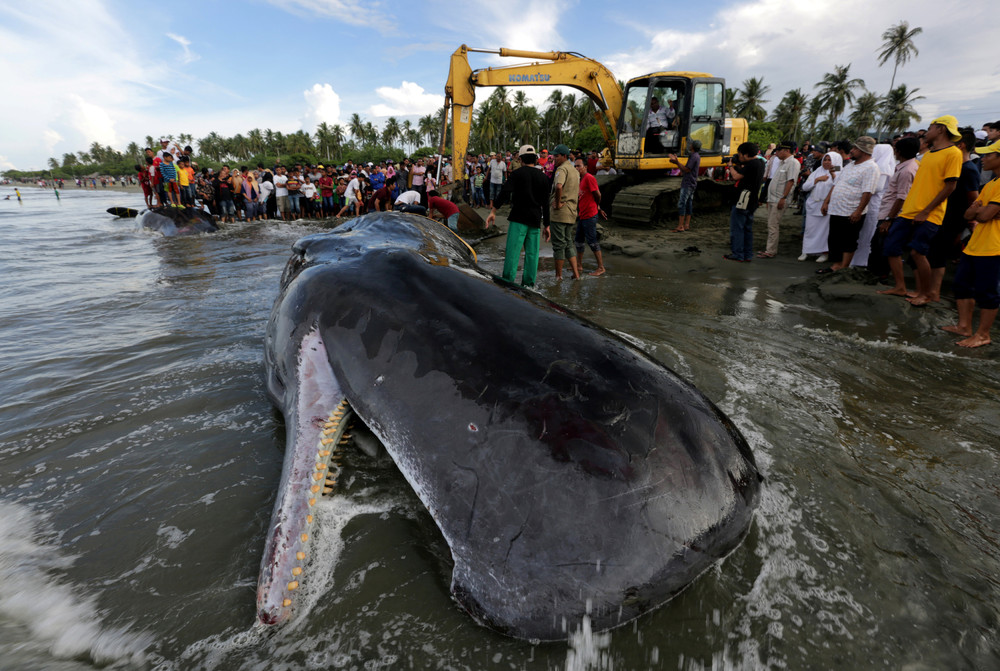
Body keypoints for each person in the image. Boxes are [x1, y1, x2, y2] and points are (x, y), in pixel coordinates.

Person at [879, 115, 963, 304]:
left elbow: (950, 186)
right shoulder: (928, 154)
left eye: (931, 127)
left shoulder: (953, 153)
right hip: (909, 210)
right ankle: (901, 287)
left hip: (930, 213)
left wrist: (926, 210)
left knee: (918, 252)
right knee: (891, 247)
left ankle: (926, 294)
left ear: (941, 129)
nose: (928, 131)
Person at [941, 140, 1000, 347]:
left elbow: (984, 215)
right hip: (976, 244)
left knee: (987, 291)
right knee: (961, 285)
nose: (983, 159)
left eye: (989, 155)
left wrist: (982, 210)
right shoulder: (991, 184)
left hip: (994, 247)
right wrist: (982, 210)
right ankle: (964, 326)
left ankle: (983, 334)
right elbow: (970, 213)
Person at [925, 129, 981, 302]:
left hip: (953, 219)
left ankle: (934, 292)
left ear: (961, 145)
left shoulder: (969, 169)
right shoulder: (957, 166)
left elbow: (974, 199)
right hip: (942, 216)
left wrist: (969, 221)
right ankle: (929, 291)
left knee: (938, 255)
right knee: (932, 253)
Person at [485, 144, 551, 287]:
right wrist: (547, 225)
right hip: (535, 220)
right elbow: (546, 204)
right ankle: (529, 287)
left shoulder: (517, 174)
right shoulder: (544, 178)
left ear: (520, 159)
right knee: (532, 256)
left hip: (518, 219)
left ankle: (507, 284)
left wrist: (493, 211)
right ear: (535, 159)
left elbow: (504, 192)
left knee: (513, 253)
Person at [818, 136, 880, 273]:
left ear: (863, 151)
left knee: (848, 241)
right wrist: (826, 201)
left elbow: (868, 192)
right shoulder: (850, 165)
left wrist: (858, 211)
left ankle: (843, 269)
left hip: (851, 210)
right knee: (835, 238)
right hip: (836, 209)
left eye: (854, 148)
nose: (851, 151)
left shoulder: (871, 167)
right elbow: (837, 183)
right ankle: (836, 266)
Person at [759, 141, 800, 258]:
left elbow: (791, 182)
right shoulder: (783, 163)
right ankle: (769, 249)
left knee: (773, 225)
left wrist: (783, 197)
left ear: (787, 151)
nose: (777, 152)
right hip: (773, 198)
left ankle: (770, 251)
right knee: (771, 224)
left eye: (779, 150)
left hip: (779, 198)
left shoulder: (793, 163)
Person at [724, 142, 764, 262]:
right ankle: (747, 254)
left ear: (746, 154)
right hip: (752, 200)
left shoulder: (751, 164)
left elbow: (736, 177)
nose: (739, 156)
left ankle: (738, 254)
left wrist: (730, 166)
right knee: (747, 228)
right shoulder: (760, 162)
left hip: (743, 199)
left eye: (740, 154)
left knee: (738, 228)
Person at [798, 151, 842, 261]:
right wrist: (817, 180)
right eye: (825, 159)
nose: (827, 162)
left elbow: (838, 186)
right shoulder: (818, 171)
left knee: (824, 231)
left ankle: (824, 253)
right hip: (813, 204)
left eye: (829, 160)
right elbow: (805, 187)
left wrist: (832, 175)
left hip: (827, 206)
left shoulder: (839, 171)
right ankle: (806, 251)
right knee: (810, 230)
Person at [549, 144, 581, 280]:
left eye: (557, 156)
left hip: (560, 213)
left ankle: (558, 276)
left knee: (558, 246)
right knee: (568, 243)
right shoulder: (575, 171)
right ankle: (576, 273)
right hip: (571, 212)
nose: (554, 158)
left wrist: (557, 202)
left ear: (564, 156)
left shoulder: (561, 170)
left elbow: (558, 186)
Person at [573, 156, 606, 276]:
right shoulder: (580, 179)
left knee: (592, 241)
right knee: (579, 241)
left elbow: (598, 194)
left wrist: (596, 205)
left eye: (579, 166)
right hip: (583, 215)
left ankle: (601, 267)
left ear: (585, 167)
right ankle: (579, 265)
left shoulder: (589, 178)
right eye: (575, 166)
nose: (576, 168)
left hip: (589, 215)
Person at [668, 140, 702, 232]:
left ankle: (680, 226)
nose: (689, 145)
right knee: (688, 203)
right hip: (692, 182)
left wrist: (677, 162)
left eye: (690, 144)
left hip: (688, 182)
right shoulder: (696, 156)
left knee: (682, 203)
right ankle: (686, 225)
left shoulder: (693, 156)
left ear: (693, 147)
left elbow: (687, 169)